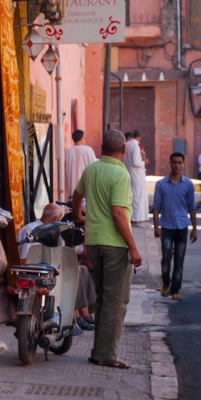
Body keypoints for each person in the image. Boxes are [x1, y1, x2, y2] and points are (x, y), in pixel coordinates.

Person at [72, 130, 143, 369]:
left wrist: (78, 216)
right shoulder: (120, 174)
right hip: (114, 244)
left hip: (93, 242)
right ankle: (106, 355)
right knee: (116, 301)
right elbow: (118, 213)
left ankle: (98, 351)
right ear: (123, 150)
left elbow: (77, 194)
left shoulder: (92, 169)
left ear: (102, 148)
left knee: (103, 298)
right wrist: (133, 247)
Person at [16, 203, 96, 332]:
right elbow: (26, 258)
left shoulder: (55, 230)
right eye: (60, 218)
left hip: (53, 266)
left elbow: (61, 252)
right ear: (55, 219)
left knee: (82, 269)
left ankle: (85, 313)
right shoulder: (31, 229)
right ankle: (76, 315)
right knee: (74, 272)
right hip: (38, 270)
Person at [152, 152, 198, 300]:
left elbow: (191, 207)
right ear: (170, 164)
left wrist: (194, 229)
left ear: (183, 164)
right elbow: (156, 207)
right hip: (167, 227)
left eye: (179, 162)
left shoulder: (188, 185)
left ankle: (175, 289)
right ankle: (166, 284)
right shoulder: (161, 185)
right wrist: (156, 227)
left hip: (182, 227)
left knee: (179, 260)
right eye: (174, 162)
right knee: (166, 258)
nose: (177, 165)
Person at [64, 130, 97, 203]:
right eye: (84, 138)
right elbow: (94, 164)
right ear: (82, 138)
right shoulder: (88, 150)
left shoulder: (68, 152)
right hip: (85, 188)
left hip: (72, 189)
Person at [123, 130, 148, 224]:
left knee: (132, 196)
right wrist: (144, 162)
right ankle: (136, 218)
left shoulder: (127, 144)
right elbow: (136, 162)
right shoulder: (135, 145)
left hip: (129, 172)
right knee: (137, 196)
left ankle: (132, 217)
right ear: (140, 136)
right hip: (136, 174)